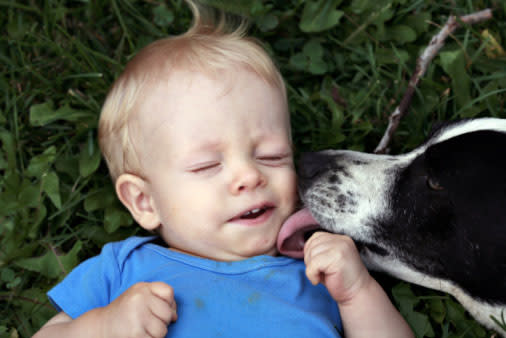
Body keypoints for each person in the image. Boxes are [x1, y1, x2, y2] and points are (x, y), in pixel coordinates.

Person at [33, 1, 414, 337]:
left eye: (271, 155)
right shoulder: (123, 268)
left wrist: (357, 293)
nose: (249, 176)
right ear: (144, 201)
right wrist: (103, 328)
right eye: (207, 166)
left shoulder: (317, 272)